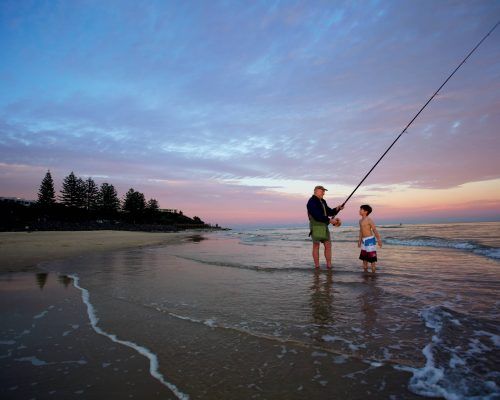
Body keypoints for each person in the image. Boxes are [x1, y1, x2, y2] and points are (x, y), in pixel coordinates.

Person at [306, 185, 344, 269]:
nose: (323, 193)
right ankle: (317, 266)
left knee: (328, 245)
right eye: (322, 191)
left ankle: (329, 265)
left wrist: (337, 208)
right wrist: (330, 220)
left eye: (324, 191)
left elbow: (329, 211)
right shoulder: (312, 201)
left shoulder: (323, 201)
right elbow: (317, 215)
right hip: (316, 225)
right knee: (316, 245)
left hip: (323, 224)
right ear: (316, 191)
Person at [358, 204, 382, 273]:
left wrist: (379, 240)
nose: (359, 211)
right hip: (363, 241)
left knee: (372, 258)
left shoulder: (369, 220)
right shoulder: (360, 221)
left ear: (366, 211)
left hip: (370, 240)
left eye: (361, 209)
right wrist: (359, 241)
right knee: (364, 258)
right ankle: (365, 272)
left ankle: (373, 272)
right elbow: (361, 231)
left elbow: (374, 230)